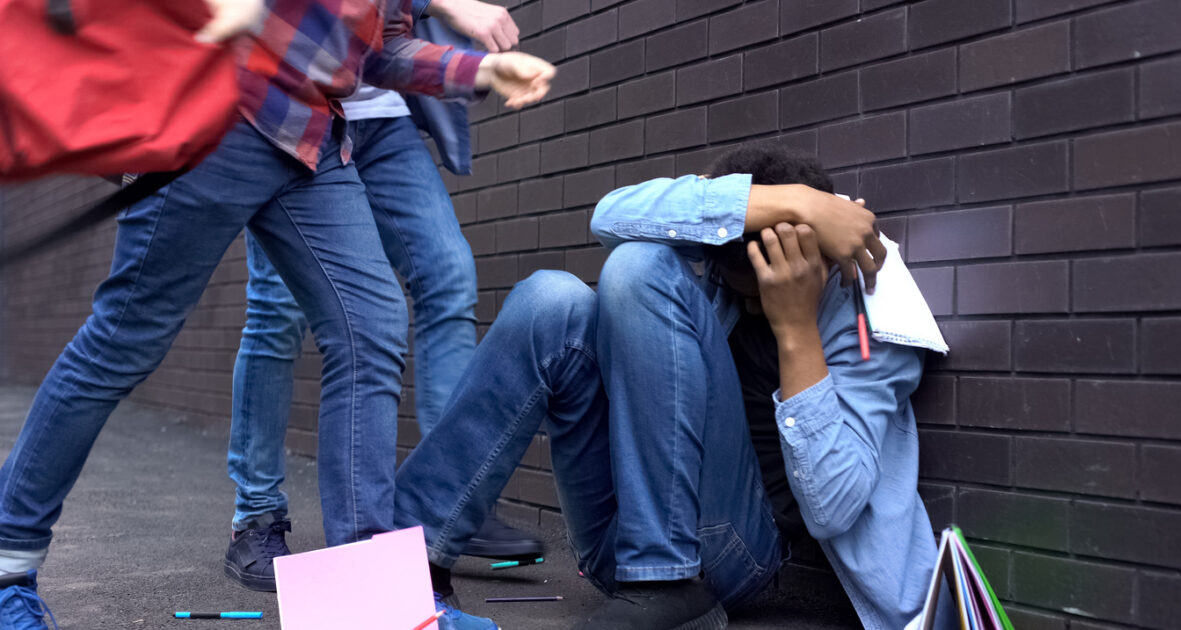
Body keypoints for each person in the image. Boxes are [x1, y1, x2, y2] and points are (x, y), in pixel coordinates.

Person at [0, 0, 554, 627]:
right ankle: (7, 565)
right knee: (121, 345)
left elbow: (371, 49)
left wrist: (476, 69)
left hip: (309, 139)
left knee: (371, 328)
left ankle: (373, 599)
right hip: (213, 123)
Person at [381, 144, 948, 629]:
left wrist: (795, 328)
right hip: (618, 544)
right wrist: (793, 202)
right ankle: (406, 561)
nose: (750, 305)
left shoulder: (870, 315)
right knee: (549, 298)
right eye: (738, 288)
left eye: (760, 291)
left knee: (639, 267)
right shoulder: (731, 249)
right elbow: (609, 214)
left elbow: (834, 509)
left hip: (734, 556)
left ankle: (666, 579)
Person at [223, 0, 541, 597]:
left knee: (447, 273)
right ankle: (257, 514)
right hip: (290, 107)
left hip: (382, 111)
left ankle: (449, 495)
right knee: (278, 310)